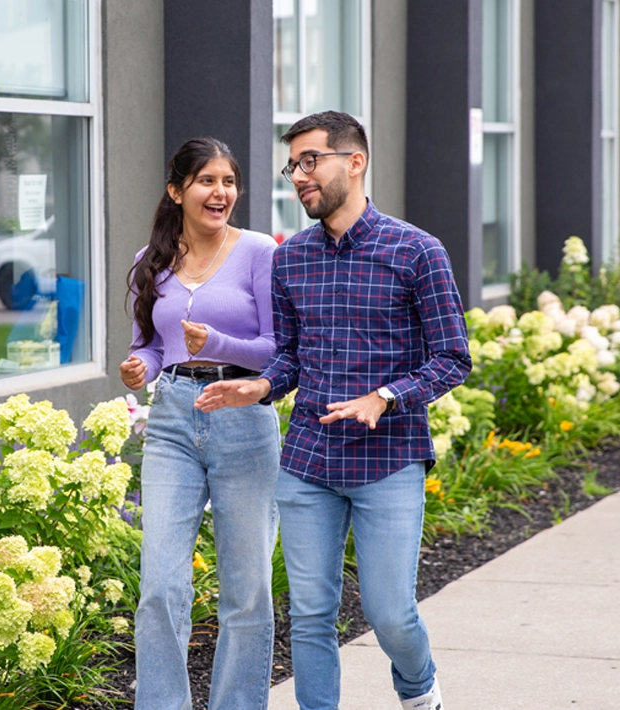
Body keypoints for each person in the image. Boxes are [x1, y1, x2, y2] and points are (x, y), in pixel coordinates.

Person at [195, 111, 471, 710]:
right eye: (294, 165)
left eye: (310, 161)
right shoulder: (290, 257)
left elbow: (453, 357)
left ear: (355, 161)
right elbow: (290, 357)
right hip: (308, 462)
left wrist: (385, 397)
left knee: (390, 613)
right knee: (311, 615)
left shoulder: (417, 251)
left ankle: (420, 690)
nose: (299, 176)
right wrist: (260, 386)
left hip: (389, 459)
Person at [120, 137, 281, 710]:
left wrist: (216, 342)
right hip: (172, 423)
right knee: (161, 585)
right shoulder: (152, 260)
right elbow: (152, 345)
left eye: (228, 181)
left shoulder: (259, 251)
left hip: (243, 417)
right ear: (176, 191)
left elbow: (277, 350)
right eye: (207, 181)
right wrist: (142, 365)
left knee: (246, 590)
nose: (221, 192)